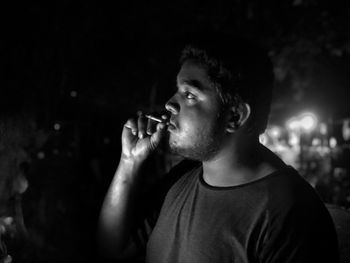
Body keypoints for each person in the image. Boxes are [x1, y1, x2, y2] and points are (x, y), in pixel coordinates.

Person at [98, 33, 339, 263]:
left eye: (189, 94)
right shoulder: (181, 178)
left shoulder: (292, 215)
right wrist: (129, 162)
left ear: (234, 116)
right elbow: (114, 247)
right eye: (177, 90)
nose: (170, 104)